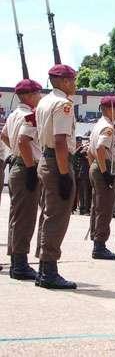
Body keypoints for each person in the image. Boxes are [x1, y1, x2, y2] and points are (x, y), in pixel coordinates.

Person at [35, 64, 78, 289]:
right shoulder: (63, 104)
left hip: (46, 157)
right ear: (63, 81)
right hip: (56, 160)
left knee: (48, 214)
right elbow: (61, 140)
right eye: (72, 79)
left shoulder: (44, 101)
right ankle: (49, 270)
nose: (75, 83)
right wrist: (64, 174)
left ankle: (44, 268)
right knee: (57, 216)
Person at [1, 79, 43, 280]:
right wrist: (29, 166)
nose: (40, 97)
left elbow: (4, 135)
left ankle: (17, 262)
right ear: (27, 95)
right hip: (27, 166)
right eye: (37, 93)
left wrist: (15, 152)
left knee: (17, 217)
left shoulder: (14, 115)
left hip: (18, 164)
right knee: (25, 218)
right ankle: (20, 264)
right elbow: (23, 142)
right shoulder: (30, 115)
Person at [88, 95, 115, 260]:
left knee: (97, 206)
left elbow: (90, 152)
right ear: (110, 109)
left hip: (96, 165)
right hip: (103, 166)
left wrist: (95, 168)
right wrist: (104, 172)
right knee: (105, 208)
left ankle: (97, 240)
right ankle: (100, 245)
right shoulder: (108, 127)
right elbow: (101, 148)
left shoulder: (97, 125)